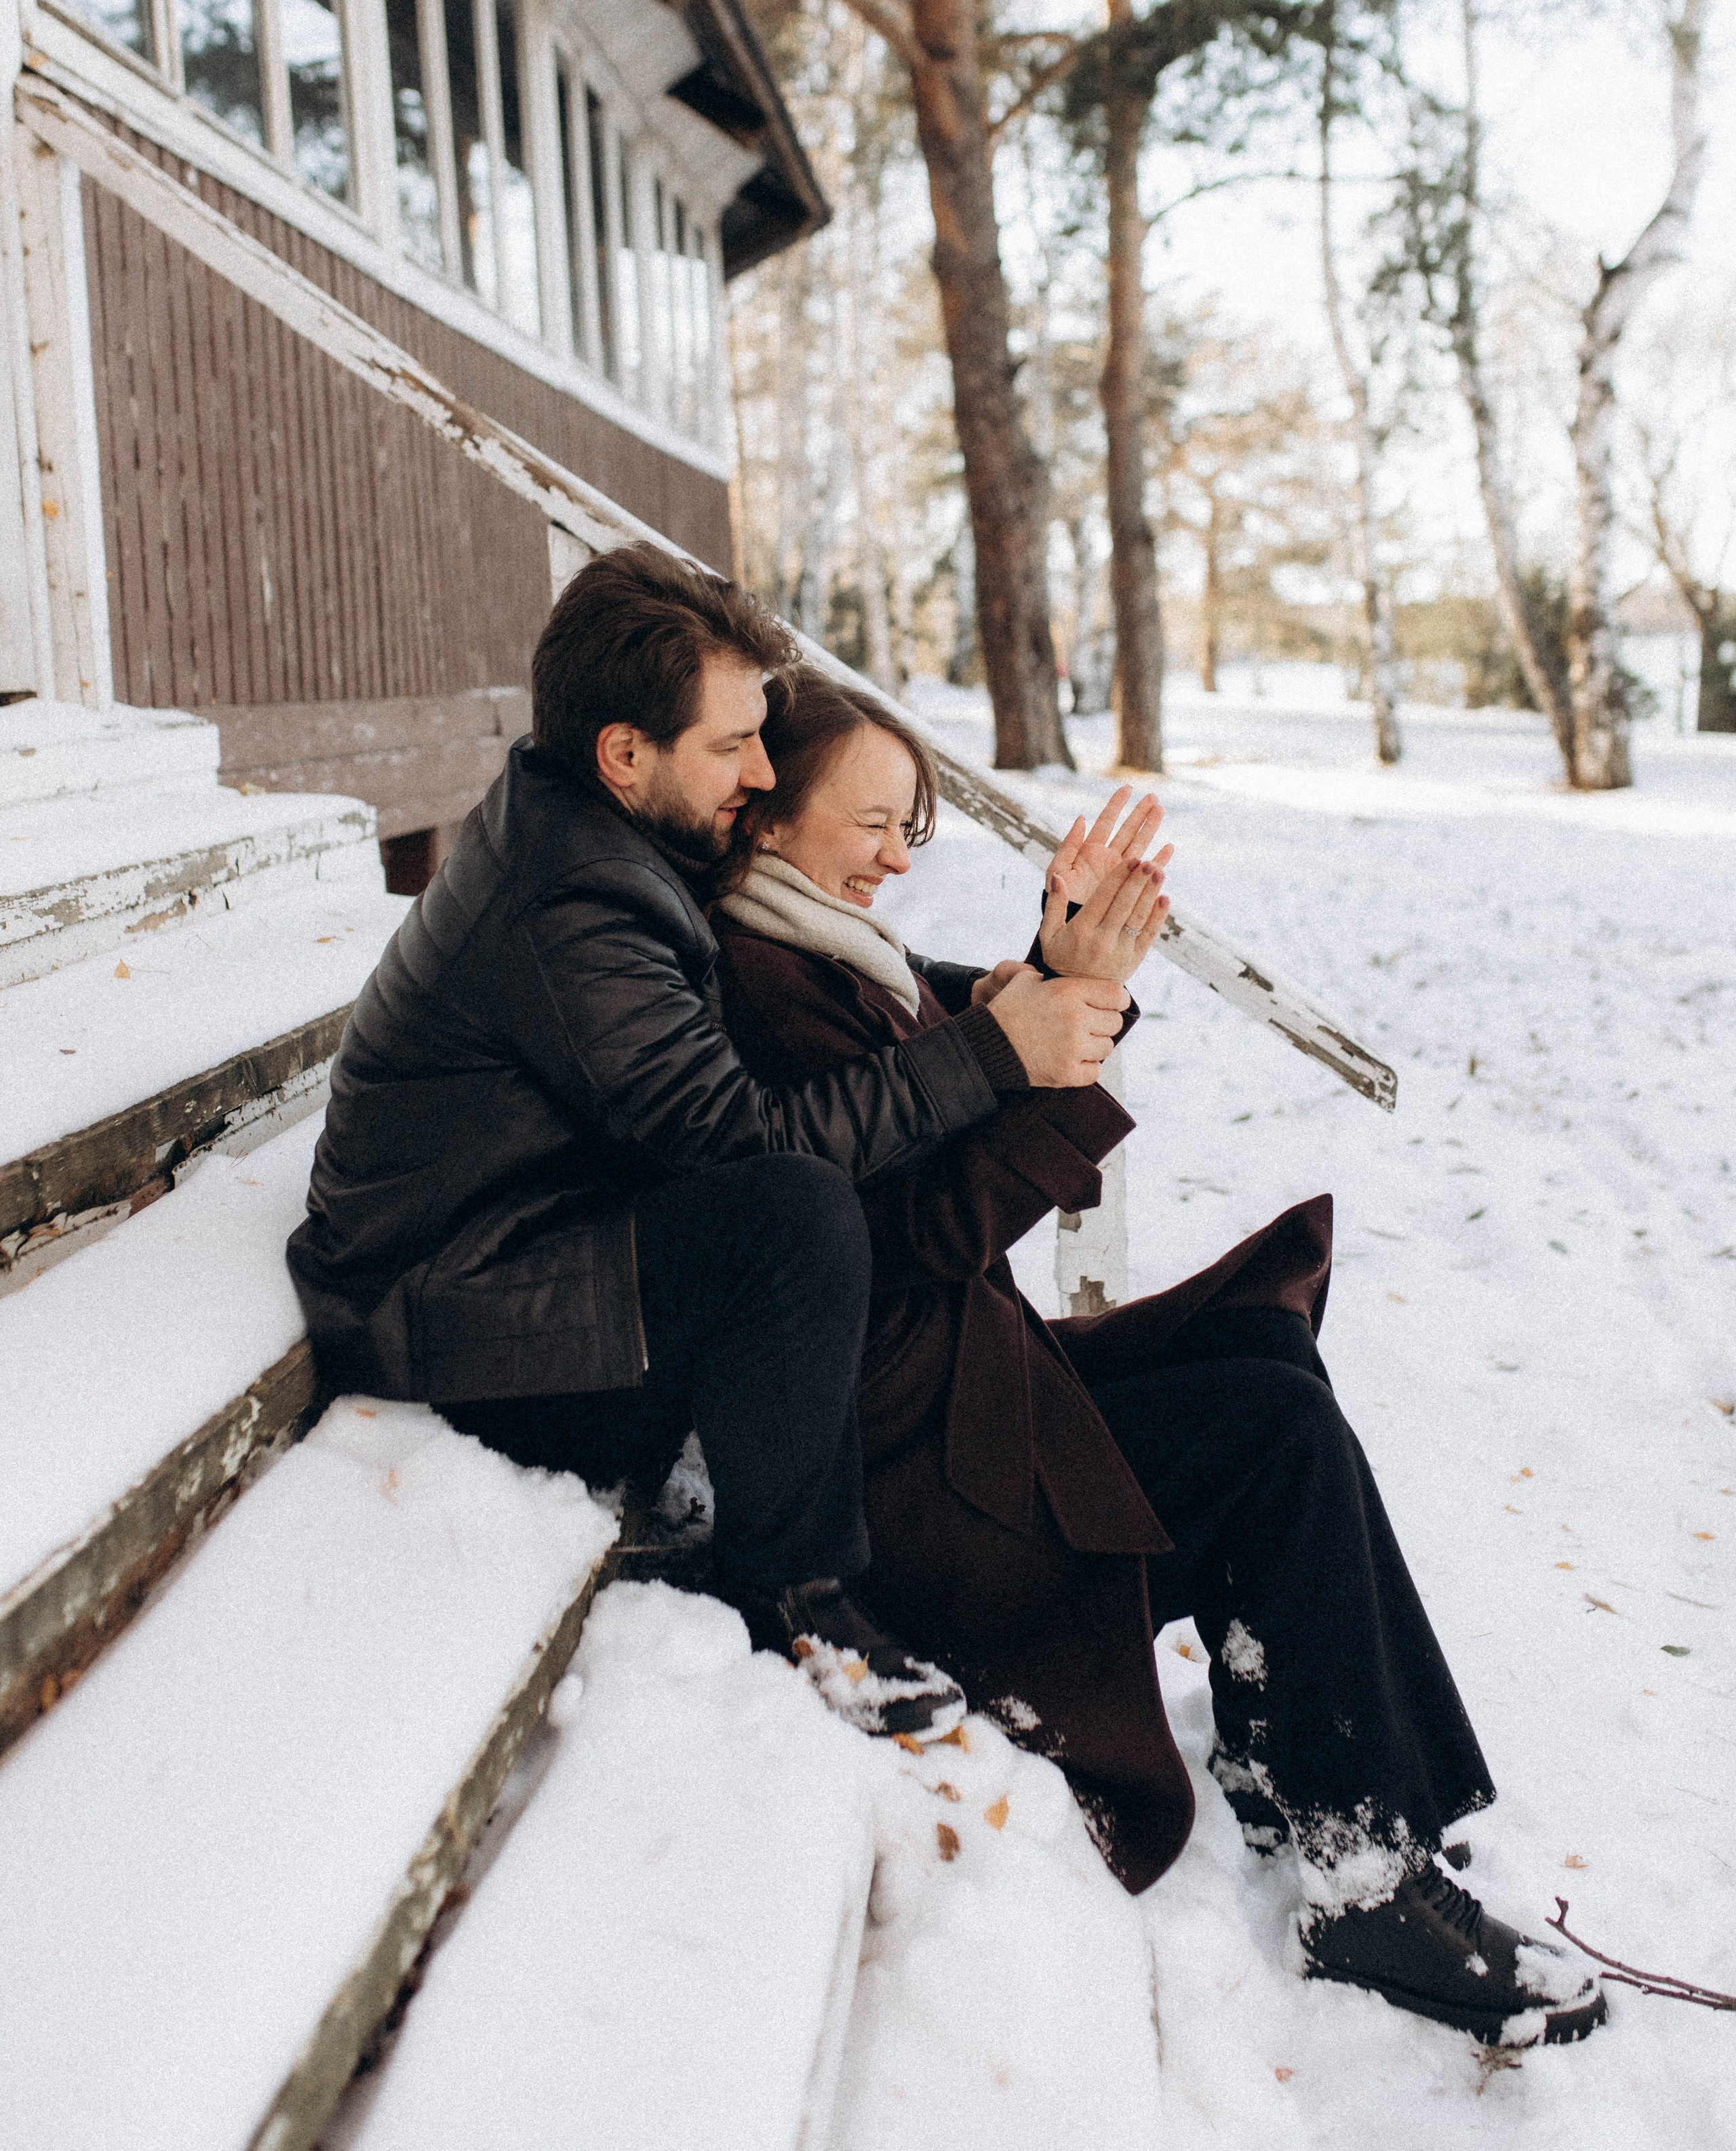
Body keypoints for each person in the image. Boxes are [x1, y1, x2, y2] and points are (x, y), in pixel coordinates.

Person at [709, 660, 1607, 2049]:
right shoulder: (761, 982)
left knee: (1262, 1351)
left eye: (913, 828)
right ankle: (1361, 1877)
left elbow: (938, 1093)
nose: (896, 856)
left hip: (956, 1392)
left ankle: (1305, 1769)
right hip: (912, 1482)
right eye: (870, 824)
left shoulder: (823, 947)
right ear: (766, 822)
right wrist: (1035, 1058)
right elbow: (904, 1244)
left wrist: (1060, 972)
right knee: (1271, 1440)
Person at [286, 544, 1128, 1739]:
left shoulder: (597, 828)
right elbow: (739, 1139)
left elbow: (774, 985)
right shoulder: (575, 893)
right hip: (456, 1319)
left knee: (790, 1203)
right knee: (790, 1212)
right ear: (625, 751)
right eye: (734, 746)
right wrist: (993, 1051)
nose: (765, 769)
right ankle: (798, 1595)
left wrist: (998, 1001)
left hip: (514, 1251)